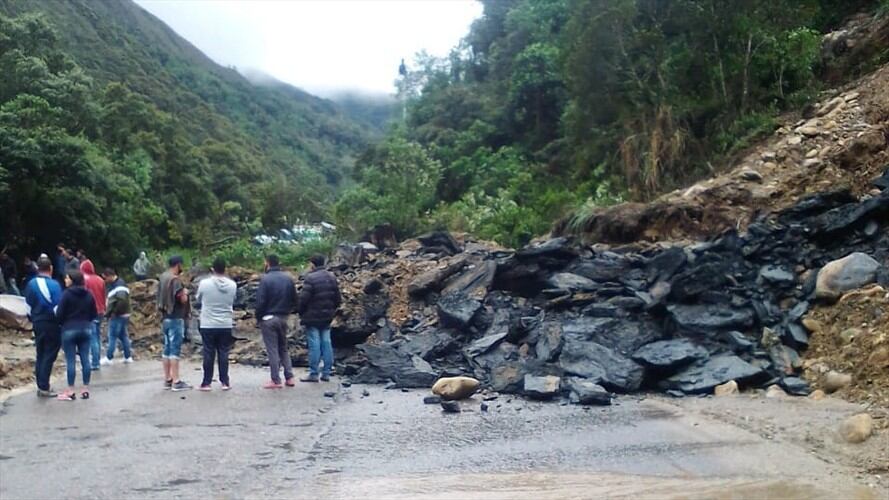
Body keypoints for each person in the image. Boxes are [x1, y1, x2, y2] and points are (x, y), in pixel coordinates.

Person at [255, 254, 297, 389]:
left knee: (272, 349)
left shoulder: (265, 280)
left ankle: (275, 379)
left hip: (268, 318)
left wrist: (258, 317)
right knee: (283, 347)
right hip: (284, 317)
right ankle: (289, 377)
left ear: (267, 263)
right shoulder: (288, 279)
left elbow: (261, 301)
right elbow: (295, 299)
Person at [24, 256, 63, 397]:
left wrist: (33, 319)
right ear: (50, 268)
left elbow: (27, 307)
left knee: (40, 353)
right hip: (51, 322)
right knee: (50, 353)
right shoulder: (54, 285)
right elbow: (57, 308)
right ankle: (44, 386)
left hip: (37, 322)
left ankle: (41, 385)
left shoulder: (30, 284)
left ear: (37, 268)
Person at [298, 254, 341, 383]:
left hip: (312, 317)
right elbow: (338, 299)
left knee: (314, 345)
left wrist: (301, 312)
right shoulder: (331, 277)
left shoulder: (310, 278)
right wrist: (331, 310)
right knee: (327, 343)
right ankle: (327, 373)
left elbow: (303, 299)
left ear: (312, 264)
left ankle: (314, 373)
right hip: (327, 316)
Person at [195, 257, 236, 391]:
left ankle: (206, 382)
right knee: (224, 352)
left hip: (208, 323)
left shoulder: (204, 284)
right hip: (225, 323)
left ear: (212, 269)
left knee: (208, 352)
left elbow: (198, 299)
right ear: (225, 269)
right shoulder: (232, 285)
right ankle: (225, 382)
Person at [56, 270, 96, 401]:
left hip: (69, 329)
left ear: (72, 280)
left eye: (67, 278)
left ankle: (71, 390)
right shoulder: (89, 294)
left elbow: (60, 314)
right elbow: (93, 314)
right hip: (86, 328)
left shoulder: (66, 294)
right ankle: (85, 389)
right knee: (85, 358)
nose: (65, 280)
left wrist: (62, 323)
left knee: (71, 360)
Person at [157, 255, 192, 391]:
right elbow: (181, 299)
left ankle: (167, 379)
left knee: (166, 348)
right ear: (178, 265)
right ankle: (176, 381)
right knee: (175, 350)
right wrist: (186, 293)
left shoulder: (163, 277)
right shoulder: (175, 280)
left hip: (165, 317)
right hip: (175, 317)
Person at [102, 268, 133, 364]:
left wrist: (113, 312)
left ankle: (109, 357)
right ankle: (127, 356)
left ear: (110, 275)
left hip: (118, 315)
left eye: (105, 278)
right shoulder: (117, 284)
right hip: (124, 314)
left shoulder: (119, 285)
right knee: (123, 335)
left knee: (112, 336)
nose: (105, 281)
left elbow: (122, 301)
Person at [80, 259, 107, 370]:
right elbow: (104, 295)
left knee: (92, 337)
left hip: (90, 312)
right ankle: (97, 360)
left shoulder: (85, 280)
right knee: (97, 336)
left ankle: (95, 362)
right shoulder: (100, 280)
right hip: (100, 311)